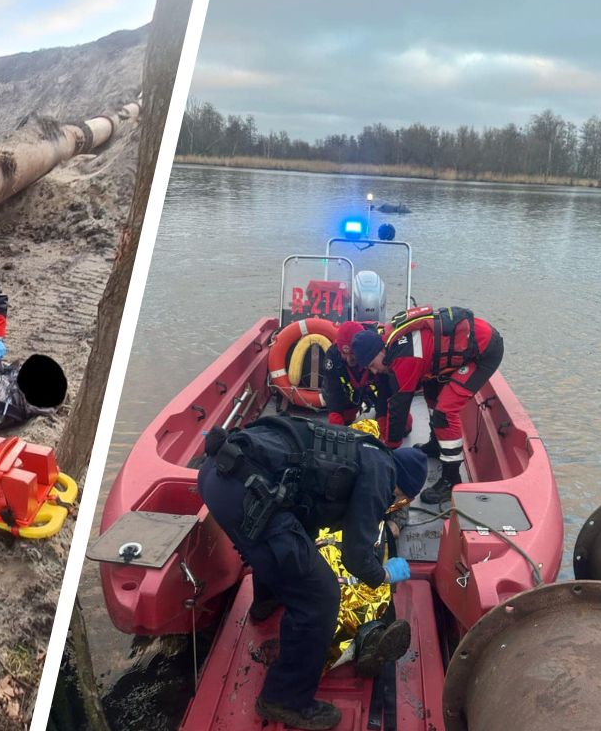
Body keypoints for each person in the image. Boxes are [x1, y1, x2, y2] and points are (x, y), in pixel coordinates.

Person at [197, 415, 428, 730]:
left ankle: (266, 601)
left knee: (285, 545)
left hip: (218, 473)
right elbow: (357, 557)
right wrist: (385, 574)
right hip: (247, 491)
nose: (396, 503)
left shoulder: (360, 448)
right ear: (405, 492)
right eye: (401, 500)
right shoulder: (382, 475)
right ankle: (284, 699)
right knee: (319, 597)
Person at [352, 306, 504, 504]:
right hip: (459, 351)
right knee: (431, 391)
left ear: (380, 351)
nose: (374, 371)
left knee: (445, 411)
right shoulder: (389, 341)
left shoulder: (405, 357)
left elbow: (400, 406)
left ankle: (451, 480)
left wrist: (389, 451)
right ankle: (435, 443)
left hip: (484, 352)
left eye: (373, 365)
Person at [324, 321, 410, 437]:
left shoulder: (374, 348)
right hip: (352, 392)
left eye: (353, 354)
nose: (350, 359)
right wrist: (336, 428)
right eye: (345, 354)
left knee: (404, 427)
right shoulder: (333, 355)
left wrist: (384, 424)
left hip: (376, 388)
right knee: (341, 422)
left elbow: (386, 390)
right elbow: (333, 392)